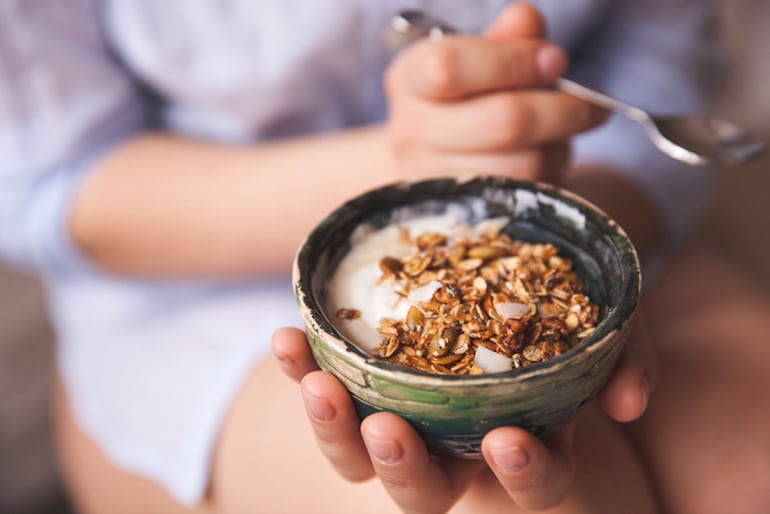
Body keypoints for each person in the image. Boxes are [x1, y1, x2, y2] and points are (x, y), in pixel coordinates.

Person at [2, 1, 768, 513]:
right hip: (196, 283)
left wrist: (572, 244)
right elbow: (52, 178)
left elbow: (665, 45)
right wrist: (398, 162)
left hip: (585, 198)